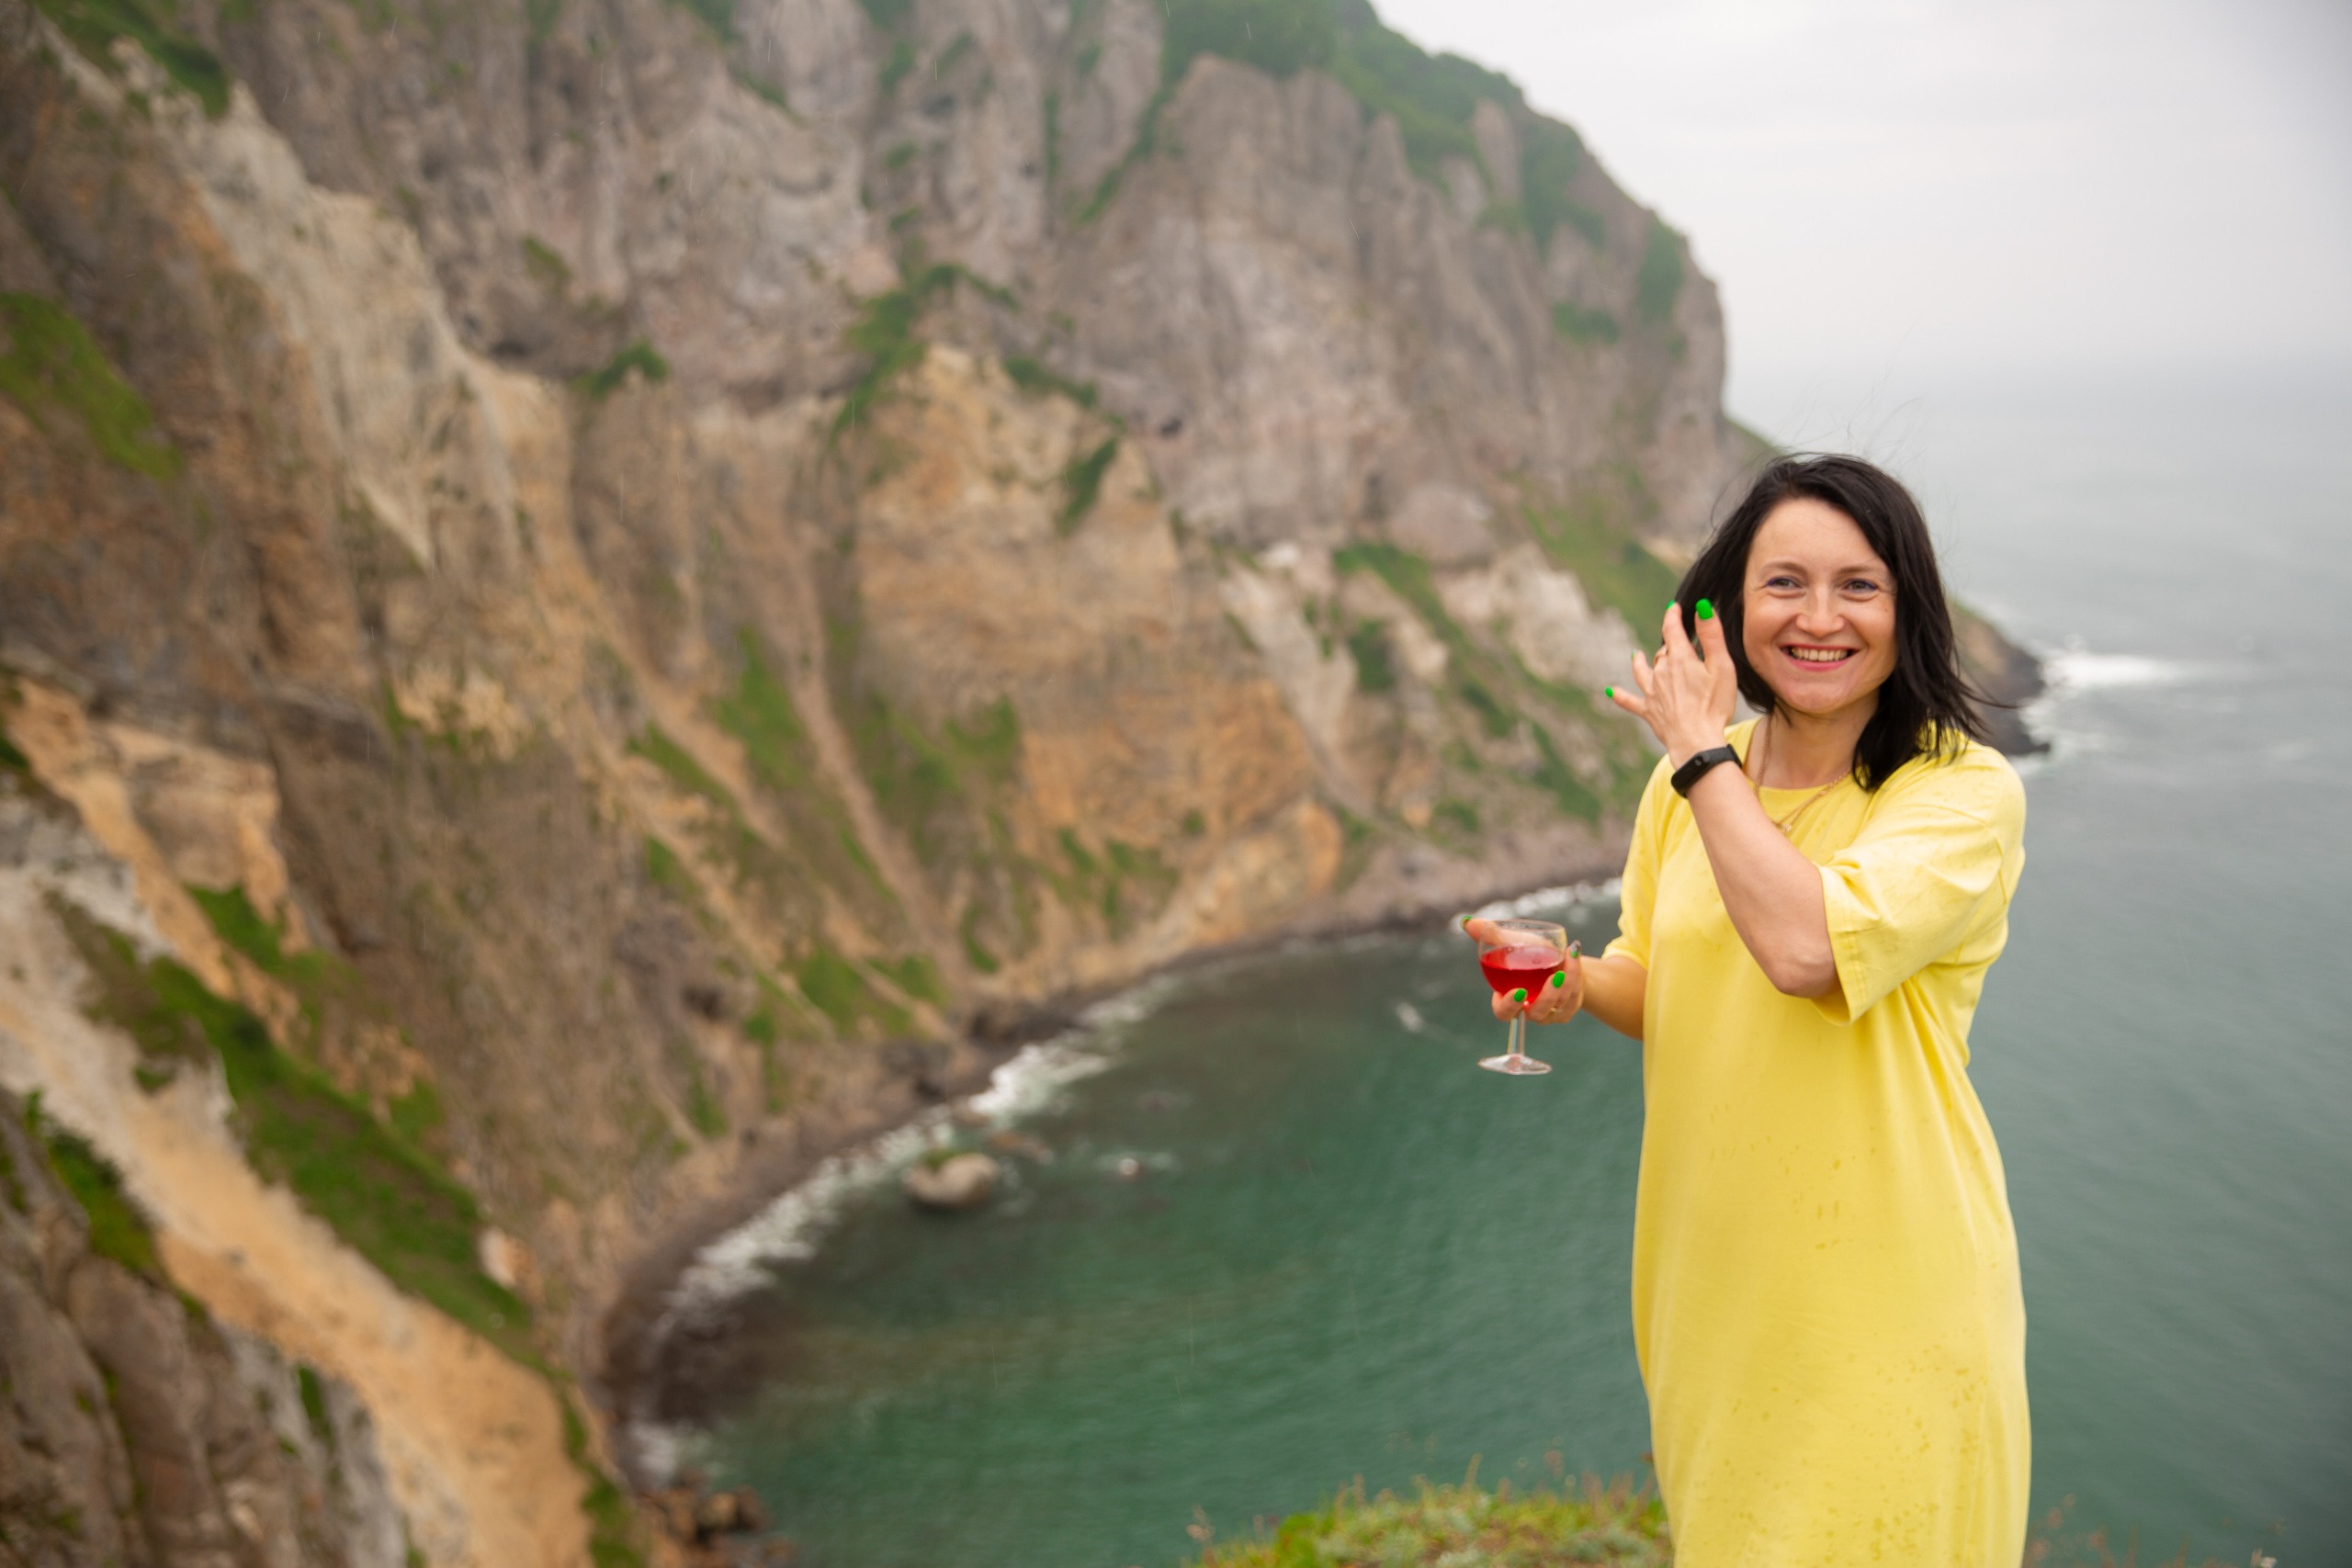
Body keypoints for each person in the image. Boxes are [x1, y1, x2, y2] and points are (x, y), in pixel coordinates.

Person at [1469, 455, 2030, 1566]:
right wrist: (1572, 983)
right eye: (1785, 583)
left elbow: (1801, 948)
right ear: (1728, 609)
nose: (1819, 618)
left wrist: (1694, 746)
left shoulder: (1959, 794)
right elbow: (1661, 982)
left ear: (1907, 608)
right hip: (1713, 1293)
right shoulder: (1686, 794)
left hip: (1884, 1304)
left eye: (1858, 587)